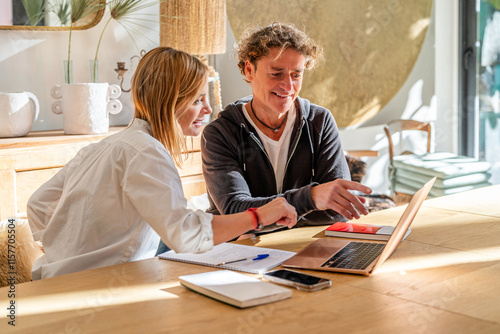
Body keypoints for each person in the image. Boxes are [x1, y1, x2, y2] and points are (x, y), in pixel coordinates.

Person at [27, 47, 297, 280]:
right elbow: (186, 235)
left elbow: (37, 204)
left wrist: (63, 247)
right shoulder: (146, 152)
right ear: (170, 103)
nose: (207, 109)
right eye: (197, 100)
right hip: (96, 290)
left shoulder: (106, 146)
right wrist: (259, 215)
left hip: (52, 279)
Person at [201, 23, 372, 234]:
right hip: (242, 255)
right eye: (276, 74)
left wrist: (268, 217)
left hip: (302, 247)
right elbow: (235, 213)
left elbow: (339, 210)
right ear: (249, 70)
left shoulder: (319, 121)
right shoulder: (220, 133)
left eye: (296, 75)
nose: (289, 87)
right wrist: (311, 198)